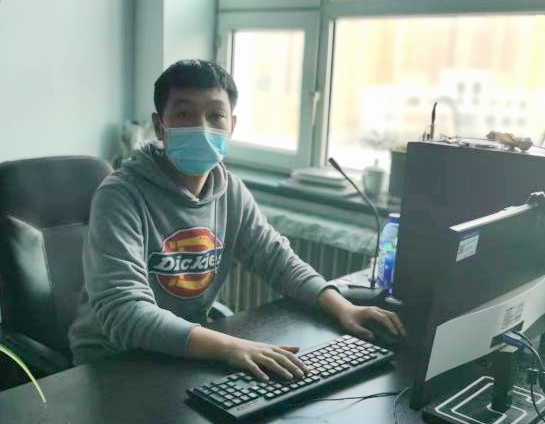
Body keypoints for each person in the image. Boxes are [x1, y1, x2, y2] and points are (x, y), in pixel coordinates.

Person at [68, 59, 405, 381]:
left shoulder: (229, 191)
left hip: (186, 351)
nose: (202, 127)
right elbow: (124, 312)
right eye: (184, 114)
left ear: (231, 124)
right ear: (160, 126)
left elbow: (278, 260)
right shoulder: (121, 195)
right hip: (113, 362)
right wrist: (231, 347)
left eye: (215, 115)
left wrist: (344, 308)